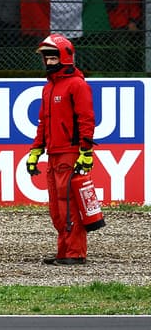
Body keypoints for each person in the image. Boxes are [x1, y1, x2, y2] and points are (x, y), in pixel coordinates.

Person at [26, 34, 97, 265]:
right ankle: (64, 252)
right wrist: (36, 150)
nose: (48, 62)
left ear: (65, 57)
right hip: (54, 153)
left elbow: (86, 119)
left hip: (70, 152)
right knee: (57, 207)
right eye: (46, 57)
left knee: (69, 204)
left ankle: (75, 253)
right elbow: (43, 124)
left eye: (53, 57)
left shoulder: (77, 85)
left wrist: (86, 152)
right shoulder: (49, 88)